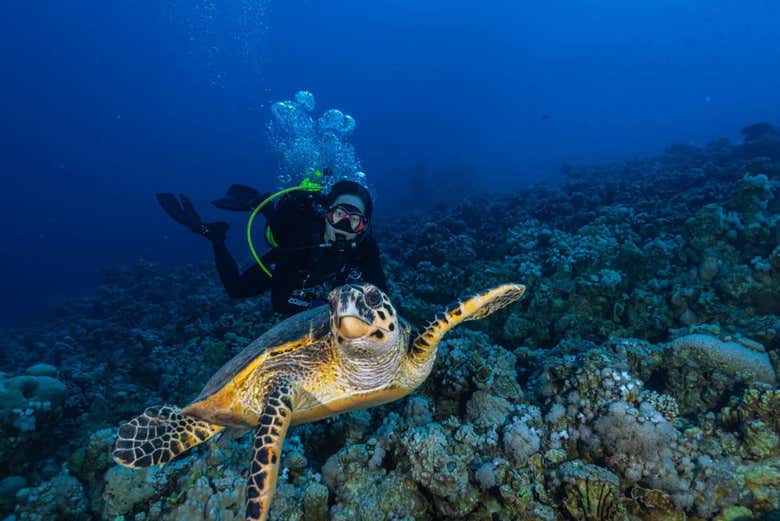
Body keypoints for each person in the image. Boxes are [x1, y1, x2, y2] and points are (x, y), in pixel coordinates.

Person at [156, 178, 388, 315]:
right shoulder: (302, 239)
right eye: (339, 214)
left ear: (364, 226)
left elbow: (381, 295)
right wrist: (326, 308)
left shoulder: (365, 246)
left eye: (354, 220)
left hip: (318, 271)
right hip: (292, 246)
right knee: (236, 290)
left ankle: (265, 208)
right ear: (327, 213)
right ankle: (216, 235)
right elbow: (281, 300)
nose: (344, 225)